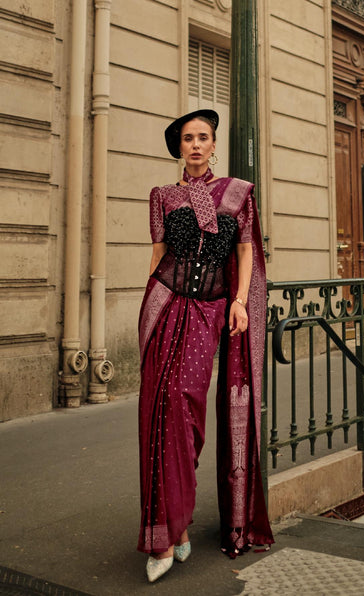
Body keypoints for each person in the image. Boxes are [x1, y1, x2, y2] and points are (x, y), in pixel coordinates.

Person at [137, 108, 274, 583]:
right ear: (178, 147)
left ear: (214, 145)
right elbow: (158, 255)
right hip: (165, 304)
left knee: (186, 407)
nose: (195, 144)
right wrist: (148, 309)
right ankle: (168, 534)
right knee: (160, 413)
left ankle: (180, 518)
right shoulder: (162, 196)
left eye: (203, 137)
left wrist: (239, 302)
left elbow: (244, 251)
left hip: (210, 309)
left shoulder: (237, 194)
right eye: (187, 138)